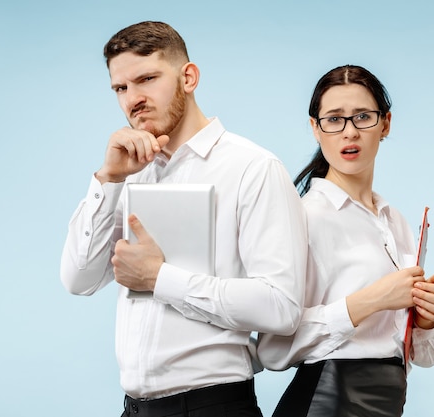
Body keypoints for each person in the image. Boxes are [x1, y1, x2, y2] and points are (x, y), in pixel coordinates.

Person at [60, 21, 307, 417]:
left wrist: (160, 279)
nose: (132, 100)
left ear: (188, 77)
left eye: (146, 79)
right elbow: (79, 279)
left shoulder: (253, 168)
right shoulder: (129, 170)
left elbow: (282, 307)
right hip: (134, 409)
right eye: (121, 88)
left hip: (214, 406)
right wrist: (108, 180)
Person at [256, 65, 434, 417]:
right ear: (315, 128)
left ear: (385, 124)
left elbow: (426, 356)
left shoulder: (395, 222)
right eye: (334, 119)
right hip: (326, 402)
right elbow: (272, 347)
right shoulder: (302, 218)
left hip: (387, 401)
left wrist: (427, 320)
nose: (350, 132)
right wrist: (370, 301)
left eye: (363, 117)